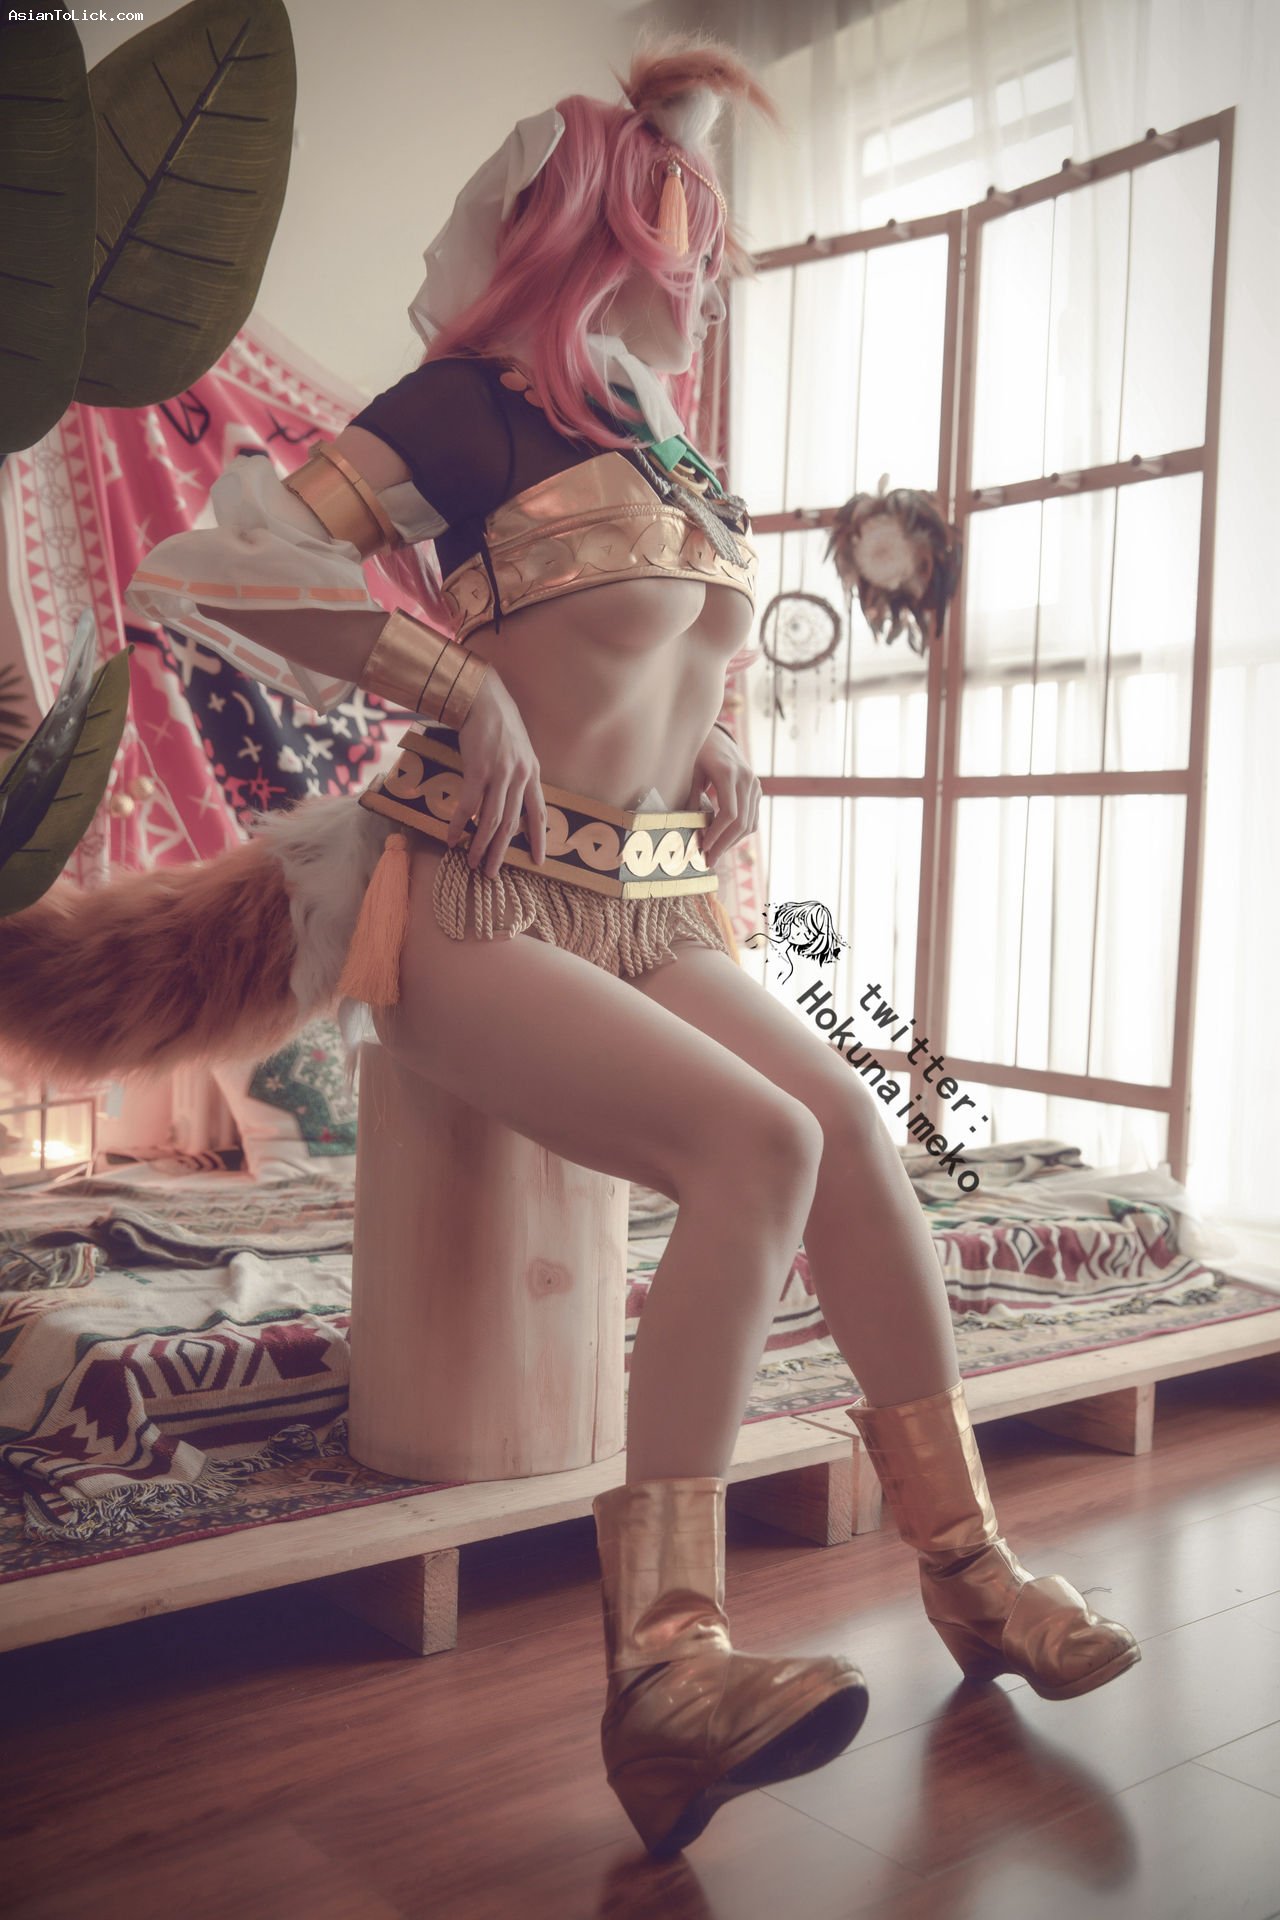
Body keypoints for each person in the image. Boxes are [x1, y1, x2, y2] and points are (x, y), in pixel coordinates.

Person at [0, 33, 1139, 1860]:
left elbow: (665, 668)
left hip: (653, 895)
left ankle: (971, 1566)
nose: (715, 265)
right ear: (605, 226)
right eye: (692, 226)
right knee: (755, 1147)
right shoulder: (468, 410)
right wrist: (453, 682)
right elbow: (220, 567)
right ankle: (666, 1669)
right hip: (472, 888)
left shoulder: (677, 459)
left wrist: (719, 751)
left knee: (856, 1130)